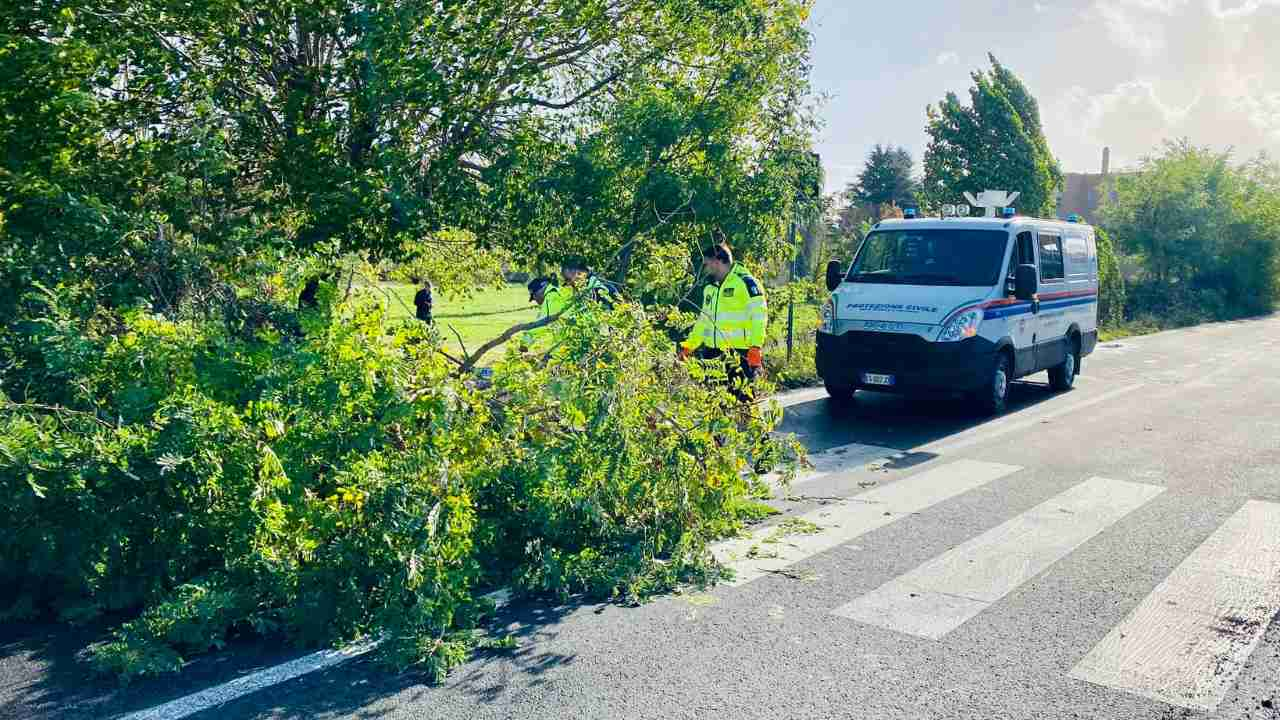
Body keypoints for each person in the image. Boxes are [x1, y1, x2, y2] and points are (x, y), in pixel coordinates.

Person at [677, 242, 767, 400]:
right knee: (715, 405)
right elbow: (704, 321)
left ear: (717, 261)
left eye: (707, 263)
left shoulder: (745, 282)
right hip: (712, 355)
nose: (705, 268)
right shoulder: (710, 288)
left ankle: (744, 424)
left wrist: (755, 347)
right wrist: (689, 346)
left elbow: (759, 316)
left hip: (739, 355)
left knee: (743, 404)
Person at [523, 275, 569, 344]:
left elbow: (541, 325)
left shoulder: (550, 298)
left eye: (534, 295)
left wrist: (525, 342)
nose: (535, 299)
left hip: (562, 343)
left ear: (541, 289)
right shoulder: (557, 293)